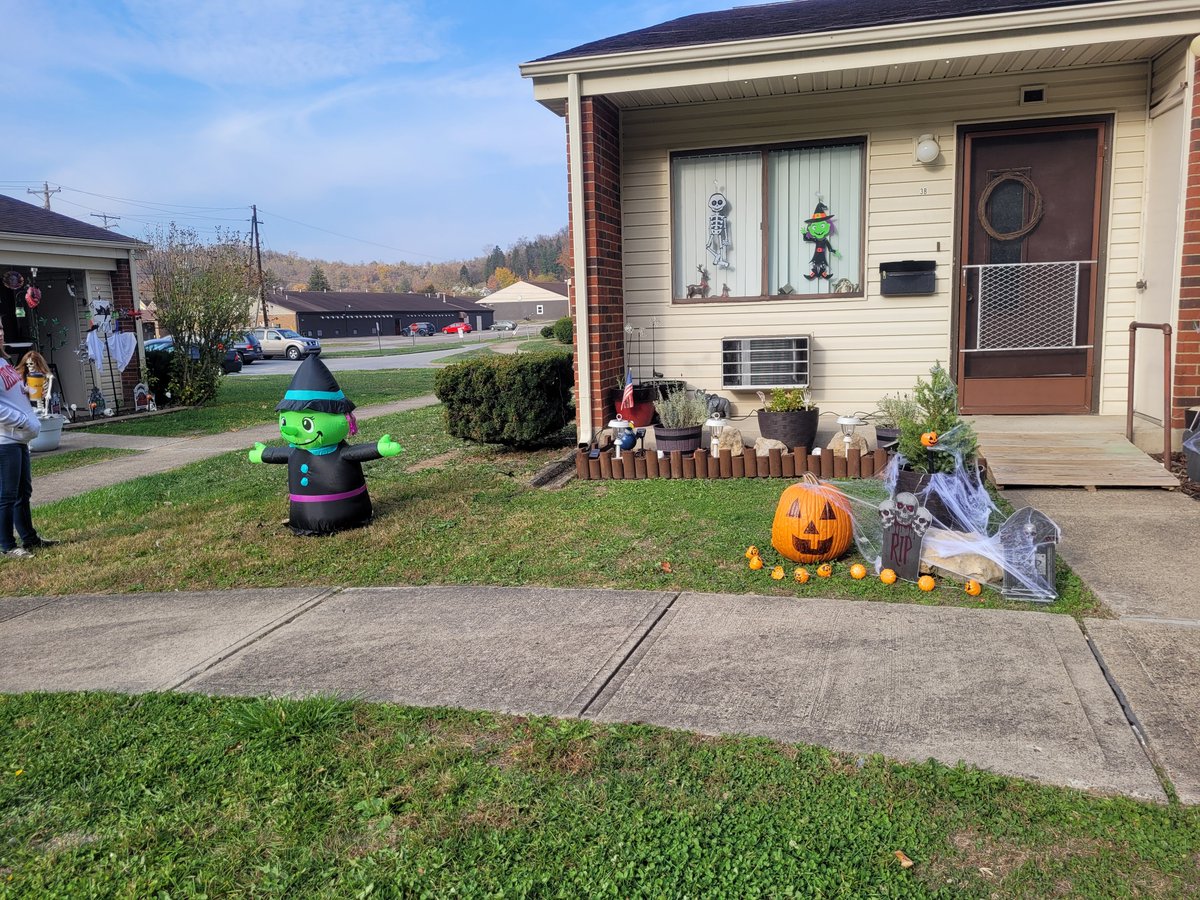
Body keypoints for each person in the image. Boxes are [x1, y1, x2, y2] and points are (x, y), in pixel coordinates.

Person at [0, 342, 53, 557]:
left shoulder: (3, 362)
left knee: (23, 492)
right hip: (5, 440)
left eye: (1, 328)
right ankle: (7, 546)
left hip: (20, 439)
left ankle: (29, 538)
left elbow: (11, 394)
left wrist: (28, 390)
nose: (0, 333)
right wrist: (23, 421)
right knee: (7, 495)